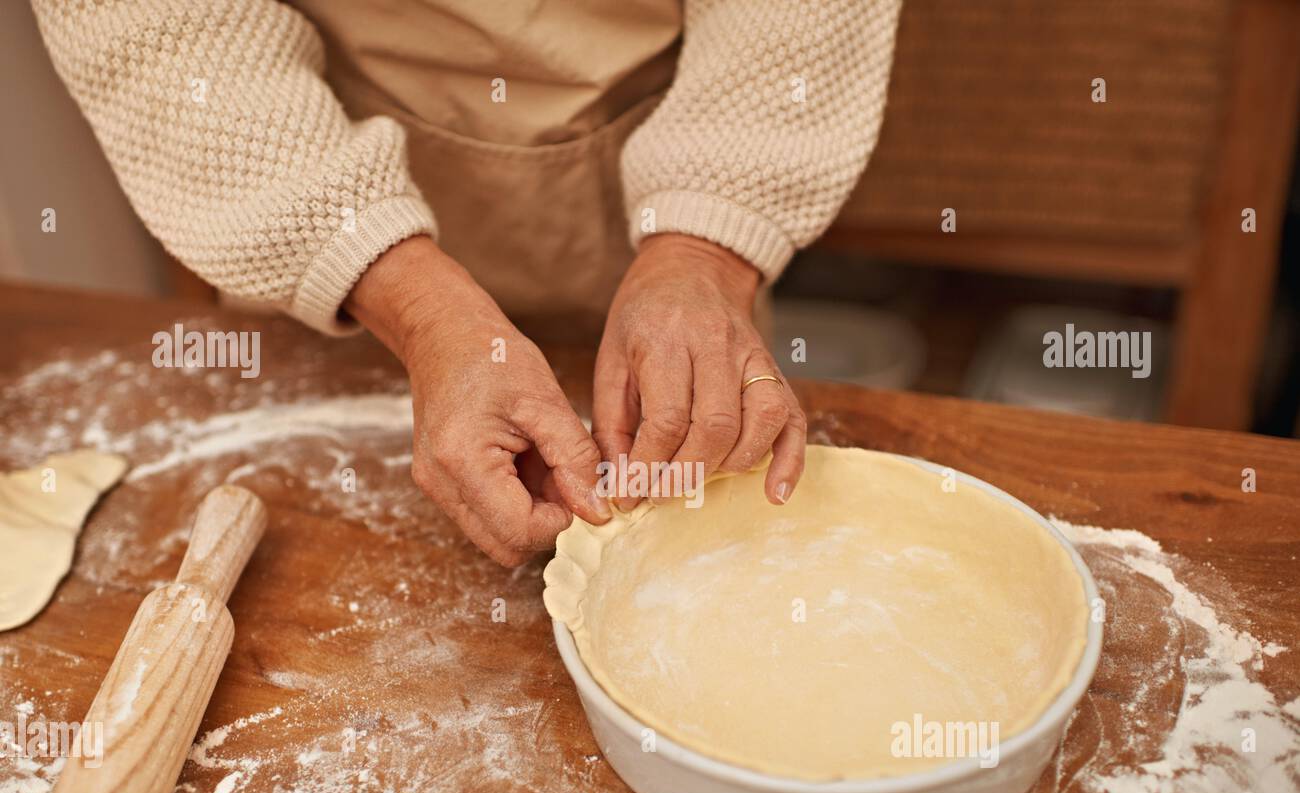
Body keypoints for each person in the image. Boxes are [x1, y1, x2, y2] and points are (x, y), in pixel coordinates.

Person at [35, 0, 902, 565]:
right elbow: (156, 28)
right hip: (297, 180)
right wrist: (410, 302)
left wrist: (705, 247)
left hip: (665, 149)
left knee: (704, 481)